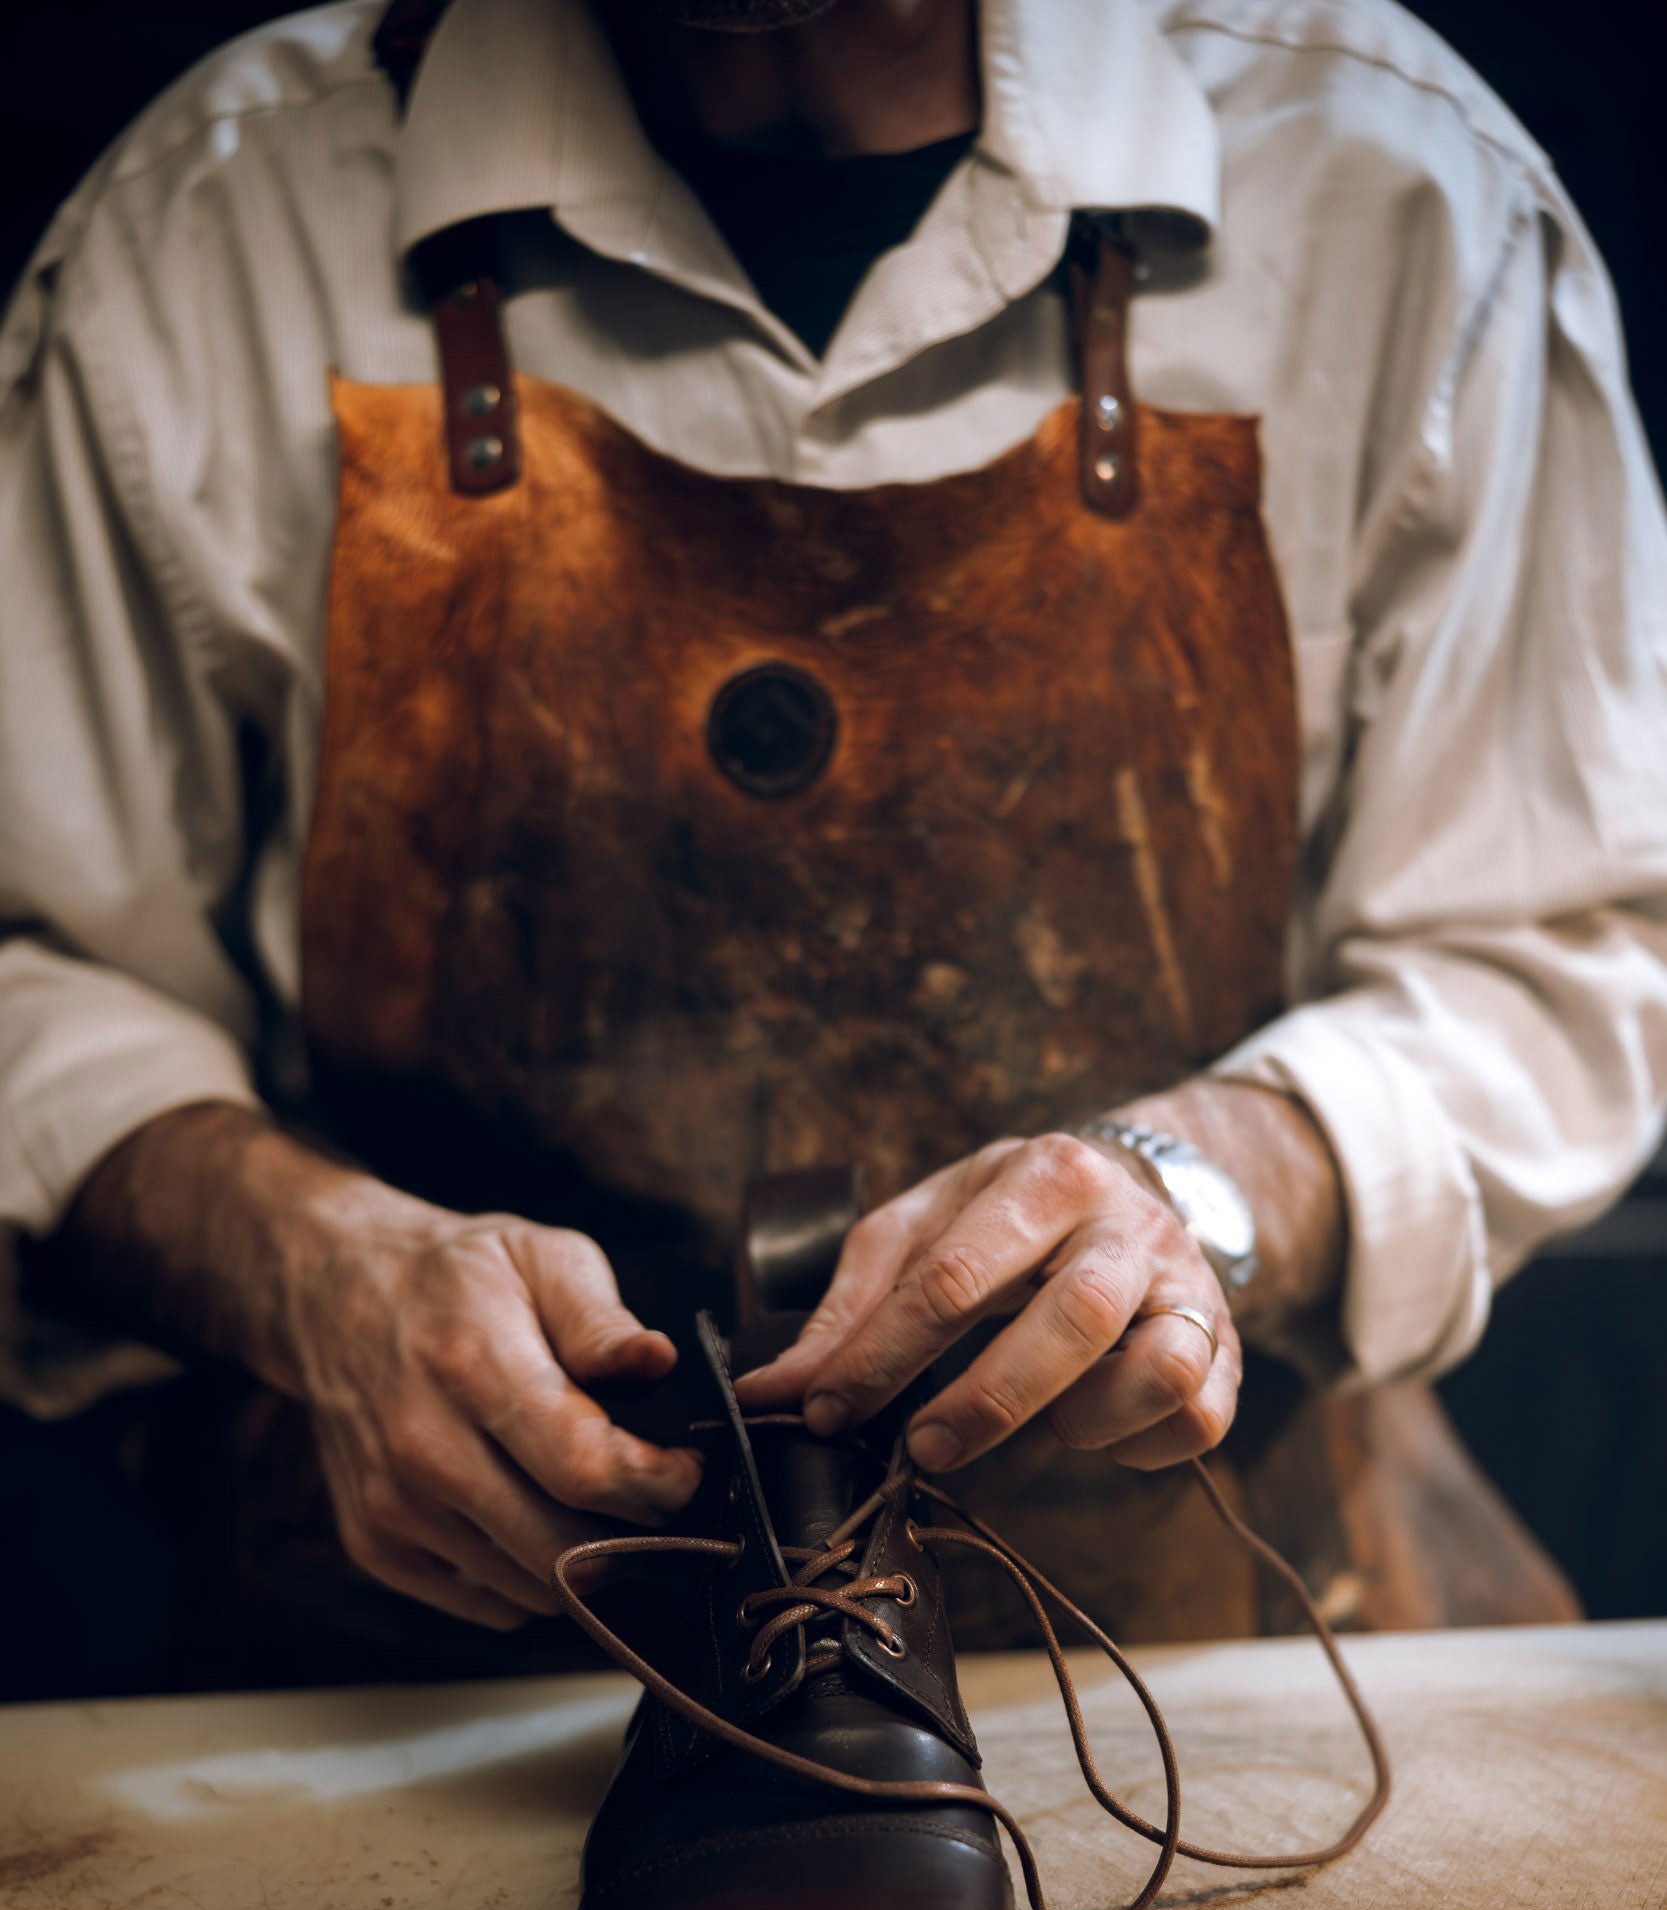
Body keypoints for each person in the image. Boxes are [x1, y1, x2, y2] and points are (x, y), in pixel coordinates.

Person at [3, 0, 1665, 1694]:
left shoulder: (1395, 190)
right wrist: (314, 1274)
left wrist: (1216, 1180)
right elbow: (29, 975)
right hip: (424, 1667)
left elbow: (1566, 948)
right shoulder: (211, 230)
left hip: (1186, 1666)